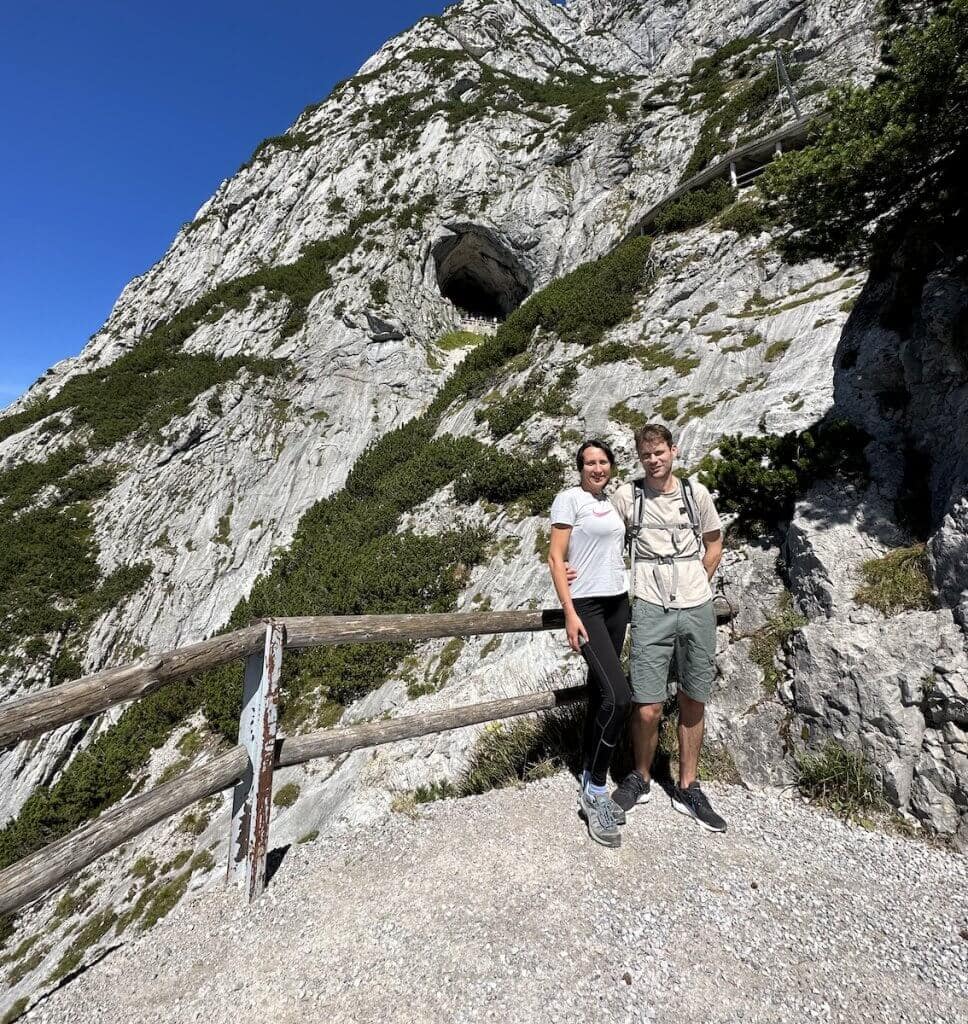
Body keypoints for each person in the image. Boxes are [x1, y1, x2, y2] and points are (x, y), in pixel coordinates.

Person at [609, 423, 727, 832]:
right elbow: (604, 535)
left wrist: (700, 580)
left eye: (659, 453)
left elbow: (714, 541)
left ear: (673, 451)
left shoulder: (696, 495)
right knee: (647, 703)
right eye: (646, 456)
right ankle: (640, 777)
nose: (654, 461)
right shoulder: (629, 496)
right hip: (650, 606)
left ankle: (689, 785)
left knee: (694, 696)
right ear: (639, 459)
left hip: (697, 606)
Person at [547, 439, 631, 848]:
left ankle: (588, 769)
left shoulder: (614, 501)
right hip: (589, 607)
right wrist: (569, 611)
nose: (596, 468)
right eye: (589, 463)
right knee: (621, 697)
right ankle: (595, 789)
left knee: (602, 694)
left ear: (610, 466)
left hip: (619, 603)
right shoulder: (569, 500)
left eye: (602, 462)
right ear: (579, 468)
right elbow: (555, 556)